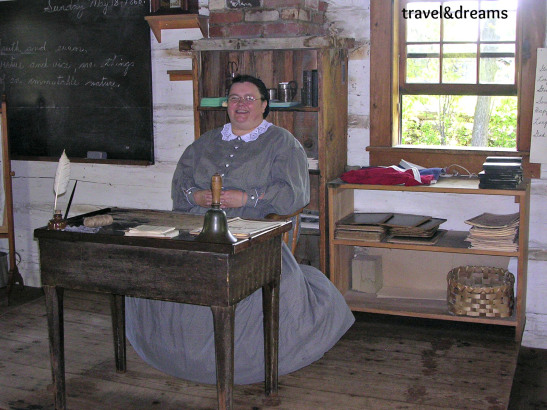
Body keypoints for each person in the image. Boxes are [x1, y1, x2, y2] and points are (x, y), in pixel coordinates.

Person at [125, 75, 355, 385]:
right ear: (226, 105)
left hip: (252, 228)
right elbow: (180, 185)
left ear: (264, 105)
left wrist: (249, 197)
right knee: (156, 265)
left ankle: (239, 356)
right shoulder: (205, 142)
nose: (241, 104)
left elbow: (296, 194)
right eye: (234, 98)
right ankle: (170, 349)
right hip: (197, 223)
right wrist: (196, 196)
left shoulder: (282, 142)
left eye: (249, 98)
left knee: (256, 279)